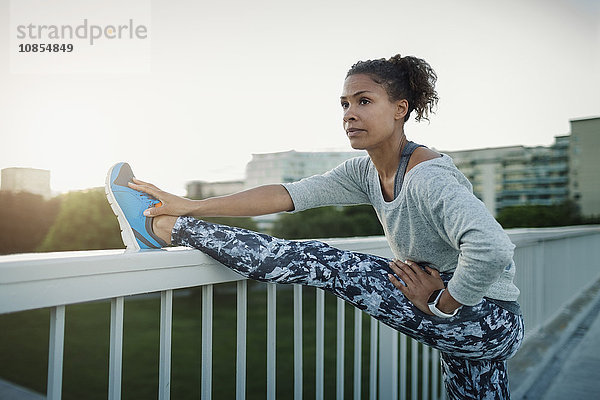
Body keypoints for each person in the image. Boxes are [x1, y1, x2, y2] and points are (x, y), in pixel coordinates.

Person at [106, 54, 524, 399]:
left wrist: (445, 302)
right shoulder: (367, 171)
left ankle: (163, 230)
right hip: (475, 321)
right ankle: (178, 221)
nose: (349, 114)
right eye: (344, 104)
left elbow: (491, 247)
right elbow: (287, 195)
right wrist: (194, 204)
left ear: (400, 110)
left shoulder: (426, 175)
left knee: (323, 262)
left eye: (363, 101)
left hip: (482, 317)